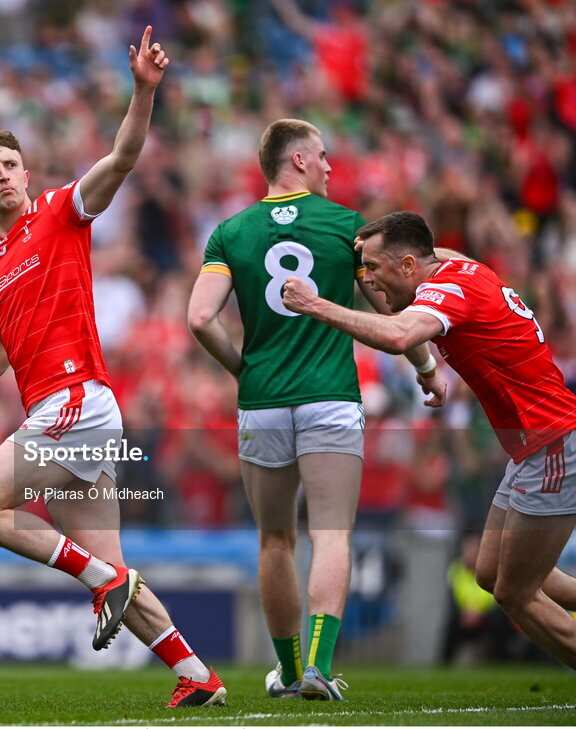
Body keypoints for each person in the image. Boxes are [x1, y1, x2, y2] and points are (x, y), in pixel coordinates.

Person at [0, 28, 226, 709]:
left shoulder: (60, 211)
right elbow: (1, 342)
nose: (2, 175)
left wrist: (143, 92)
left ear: (25, 172)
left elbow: (121, 157)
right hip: (61, 410)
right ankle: (198, 673)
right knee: (112, 567)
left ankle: (101, 583)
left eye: (9, 164)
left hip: (76, 400)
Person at [187, 119, 447, 701]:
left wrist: (242, 368)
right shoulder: (348, 228)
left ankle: (285, 668)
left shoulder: (230, 232)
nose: (331, 166)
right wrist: (427, 369)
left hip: (262, 403)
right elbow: (390, 314)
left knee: (274, 540)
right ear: (298, 160)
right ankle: (320, 669)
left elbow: (200, 319)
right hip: (330, 396)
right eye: (323, 156)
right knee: (332, 534)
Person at [282, 210, 576, 669]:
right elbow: (438, 255)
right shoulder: (461, 268)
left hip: (554, 443)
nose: (370, 282)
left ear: (407, 266)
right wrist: (366, 250)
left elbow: (401, 335)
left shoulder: (449, 291)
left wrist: (315, 304)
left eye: (375, 270)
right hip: (533, 448)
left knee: (515, 593)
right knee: (490, 572)